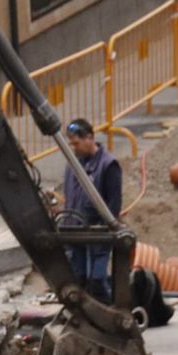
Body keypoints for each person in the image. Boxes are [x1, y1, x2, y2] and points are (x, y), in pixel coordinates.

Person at [59, 118, 124, 303]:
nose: (75, 148)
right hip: (75, 231)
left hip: (99, 232)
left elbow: (114, 202)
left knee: (96, 280)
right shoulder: (73, 165)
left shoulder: (108, 165)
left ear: (90, 138)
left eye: (77, 143)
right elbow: (70, 197)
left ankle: (108, 311)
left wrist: (107, 228)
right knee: (78, 279)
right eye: (71, 144)